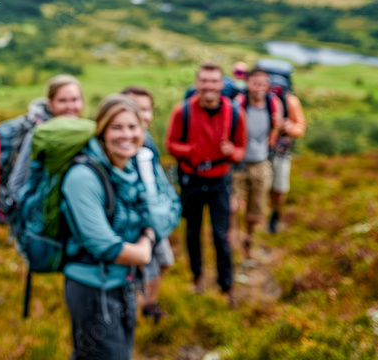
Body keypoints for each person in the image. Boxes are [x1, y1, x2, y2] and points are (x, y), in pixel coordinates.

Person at [61, 95, 161, 360]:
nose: (126, 135)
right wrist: (146, 245)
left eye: (132, 127)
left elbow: (151, 215)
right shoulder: (82, 176)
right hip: (93, 289)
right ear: (102, 131)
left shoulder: (127, 168)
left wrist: (147, 236)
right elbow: (104, 245)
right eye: (117, 127)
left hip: (123, 283)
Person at [166, 63, 247, 305]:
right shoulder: (183, 111)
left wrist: (232, 152)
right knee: (192, 232)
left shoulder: (234, 113)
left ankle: (227, 286)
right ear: (197, 83)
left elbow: (241, 151)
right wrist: (191, 150)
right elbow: (171, 144)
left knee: (221, 236)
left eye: (213, 81)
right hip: (191, 180)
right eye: (204, 81)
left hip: (220, 181)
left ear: (221, 85)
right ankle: (197, 278)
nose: (209, 86)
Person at [121, 86, 179, 322]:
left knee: (164, 262)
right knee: (140, 269)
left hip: (153, 215)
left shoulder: (149, 141)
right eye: (135, 109)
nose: (142, 115)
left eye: (146, 109)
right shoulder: (120, 143)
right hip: (135, 220)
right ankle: (133, 314)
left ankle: (148, 304)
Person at [1, 75, 84, 209]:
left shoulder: (80, 131)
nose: (70, 106)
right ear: (50, 104)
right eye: (62, 100)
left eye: (74, 100)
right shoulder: (40, 133)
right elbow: (17, 184)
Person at [230, 69, 282, 260]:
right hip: (239, 164)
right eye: (254, 83)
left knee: (256, 210)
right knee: (233, 206)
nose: (258, 88)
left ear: (268, 86)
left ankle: (248, 239)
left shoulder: (273, 104)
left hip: (261, 163)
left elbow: (276, 129)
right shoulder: (239, 104)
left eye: (262, 84)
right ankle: (232, 238)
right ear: (247, 84)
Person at [268, 90, 307, 233]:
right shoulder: (259, 98)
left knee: (279, 187)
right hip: (261, 153)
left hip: (281, 153)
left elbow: (300, 128)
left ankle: (274, 214)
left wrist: (288, 127)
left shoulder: (290, 101)